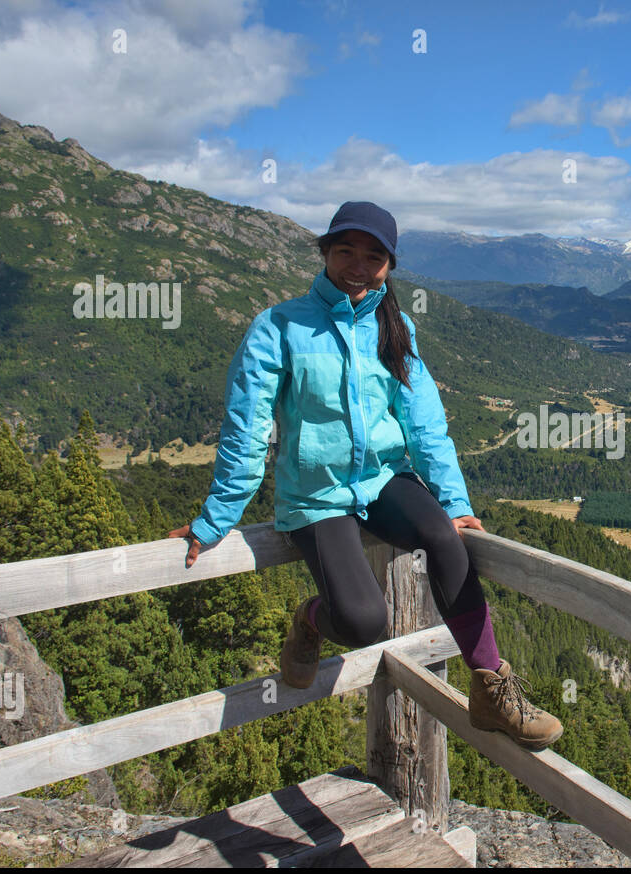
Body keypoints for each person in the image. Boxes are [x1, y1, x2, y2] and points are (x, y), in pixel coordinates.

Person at [168, 200, 562, 750]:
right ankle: (309, 620)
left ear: (389, 266)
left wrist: (453, 501)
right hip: (317, 494)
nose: (358, 264)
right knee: (359, 621)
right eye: (346, 250)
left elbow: (423, 423)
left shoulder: (395, 327)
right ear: (325, 252)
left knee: (446, 541)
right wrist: (214, 520)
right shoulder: (279, 327)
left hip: (383, 480)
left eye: (373, 256)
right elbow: (247, 427)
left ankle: (492, 687)